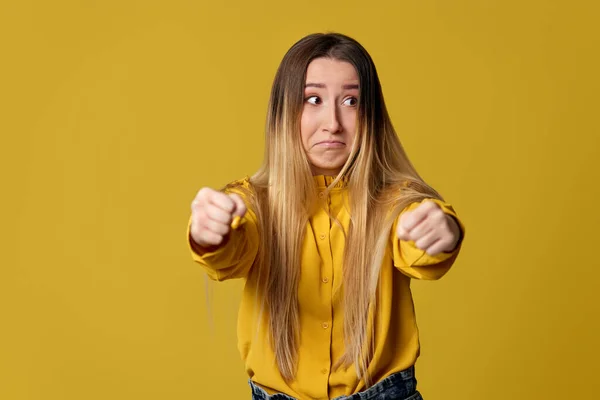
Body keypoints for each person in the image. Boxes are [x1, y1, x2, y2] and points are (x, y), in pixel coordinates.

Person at [187, 32, 465, 400]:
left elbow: (420, 244)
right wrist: (211, 234)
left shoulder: (393, 202)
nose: (332, 122)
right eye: (313, 99)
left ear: (371, 116)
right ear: (284, 112)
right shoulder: (254, 202)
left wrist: (442, 230)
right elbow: (231, 251)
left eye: (351, 101)